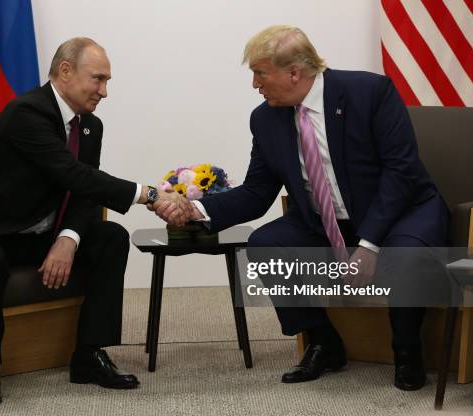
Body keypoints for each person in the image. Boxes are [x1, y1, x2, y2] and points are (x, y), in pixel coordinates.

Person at [153, 25, 449, 391]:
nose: (255, 85)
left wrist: (370, 243)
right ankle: (323, 342)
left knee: (404, 254)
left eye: (260, 73)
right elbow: (258, 193)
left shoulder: (369, 92)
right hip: (329, 221)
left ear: (294, 72)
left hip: (402, 211)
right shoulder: (265, 119)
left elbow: (400, 172)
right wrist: (197, 209)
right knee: (265, 245)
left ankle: (407, 350)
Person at [0, 37, 191, 407]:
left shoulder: (89, 126)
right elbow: (74, 175)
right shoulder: (26, 113)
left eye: (107, 81)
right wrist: (151, 195)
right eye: (98, 79)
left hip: (41, 232)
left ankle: (89, 356)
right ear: (65, 71)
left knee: (110, 237)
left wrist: (69, 238)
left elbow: (84, 193)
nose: (105, 91)